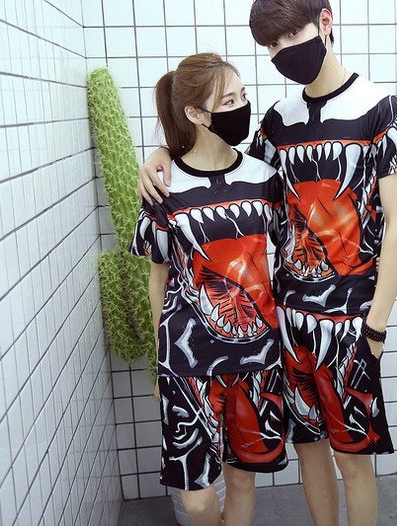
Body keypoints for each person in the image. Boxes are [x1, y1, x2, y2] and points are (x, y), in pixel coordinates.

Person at [138, 2, 397, 524]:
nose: (282, 51)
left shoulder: (382, 108)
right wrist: (158, 157)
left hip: (351, 320)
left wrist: (376, 326)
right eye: (271, 44)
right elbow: (223, 165)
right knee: (310, 449)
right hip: (287, 323)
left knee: (353, 457)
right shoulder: (276, 121)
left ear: (325, 22)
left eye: (291, 35)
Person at [129, 52, 287, 526]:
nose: (242, 107)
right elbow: (158, 277)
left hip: (256, 355)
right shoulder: (164, 186)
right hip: (187, 359)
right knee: (197, 500)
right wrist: (160, 361)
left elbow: (290, 252)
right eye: (229, 101)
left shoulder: (264, 178)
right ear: (195, 114)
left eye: (243, 96)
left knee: (242, 481)